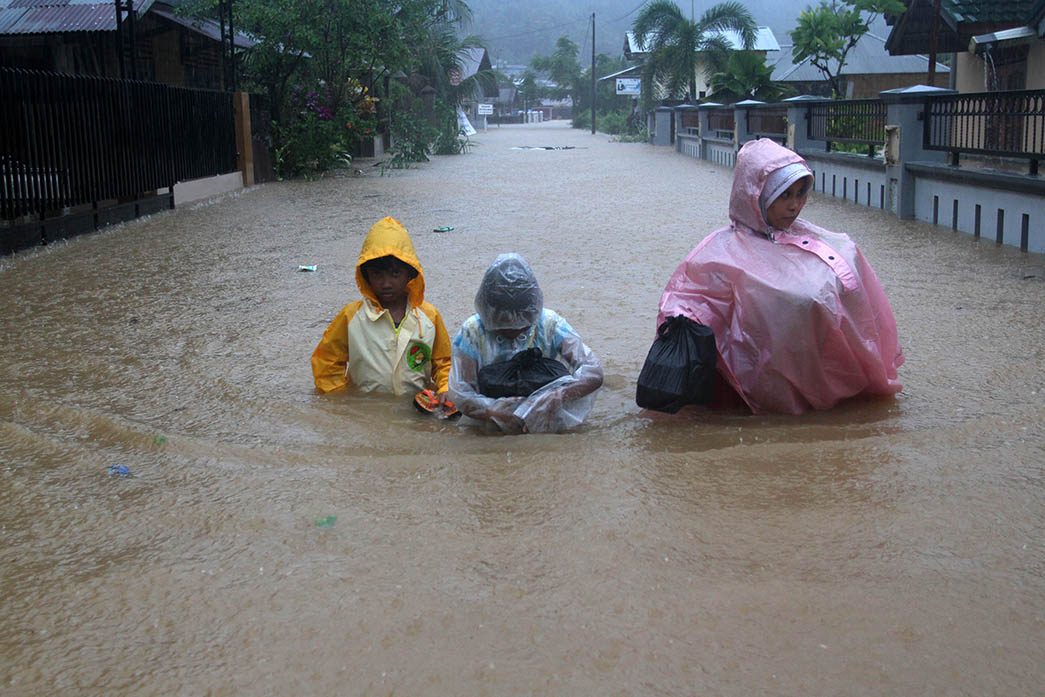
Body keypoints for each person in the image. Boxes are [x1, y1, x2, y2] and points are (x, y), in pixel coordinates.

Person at [656, 138, 904, 414]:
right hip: (762, 377)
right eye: (784, 195)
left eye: (800, 194)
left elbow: (864, 308)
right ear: (757, 195)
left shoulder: (833, 243)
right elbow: (689, 298)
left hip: (820, 368)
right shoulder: (718, 252)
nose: (794, 206)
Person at [449, 253, 603, 433]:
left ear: (533, 312)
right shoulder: (472, 332)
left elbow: (594, 373)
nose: (513, 333)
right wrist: (495, 413)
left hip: (548, 421)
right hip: (489, 428)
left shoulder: (551, 325)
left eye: (522, 327)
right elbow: (462, 394)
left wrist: (556, 397)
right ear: (488, 312)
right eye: (502, 327)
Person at [312, 216, 452, 400]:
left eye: (395, 274)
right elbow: (327, 363)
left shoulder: (429, 317)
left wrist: (444, 391)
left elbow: (443, 363)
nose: (386, 284)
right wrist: (341, 401)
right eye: (377, 274)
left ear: (410, 273)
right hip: (365, 410)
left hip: (415, 408)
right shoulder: (351, 317)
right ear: (366, 276)